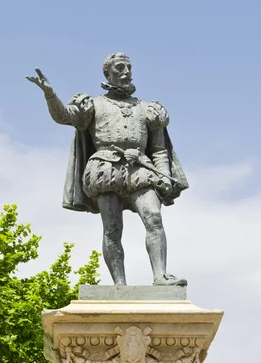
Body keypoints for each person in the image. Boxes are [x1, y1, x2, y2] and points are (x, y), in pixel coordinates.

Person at [27, 53, 188, 285]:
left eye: (129, 67)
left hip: (141, 168)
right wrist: (50, 94)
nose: (127, 72)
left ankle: (160, 276)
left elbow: (159, 149)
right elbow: (63, 116)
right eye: (120, 67)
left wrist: (165, 175)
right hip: (105, 171)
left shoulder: (147, 109)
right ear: (108, 73)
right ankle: (119, 286)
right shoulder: (93, 104)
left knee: (153, 217)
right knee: (112, 229)